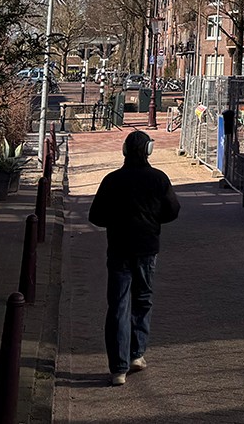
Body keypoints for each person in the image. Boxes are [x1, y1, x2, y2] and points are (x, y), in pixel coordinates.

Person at [87, 129, 180, 385]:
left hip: (119, 248)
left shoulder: (112, 180)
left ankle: (118, 368)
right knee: (143, 300)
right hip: (147, 248)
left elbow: (95, 216)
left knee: (118, 305)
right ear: (149, 150)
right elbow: (173, 210)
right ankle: (137, 354)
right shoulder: (159, 179)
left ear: (125, 151)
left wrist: (115, 221)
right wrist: (152, 219)